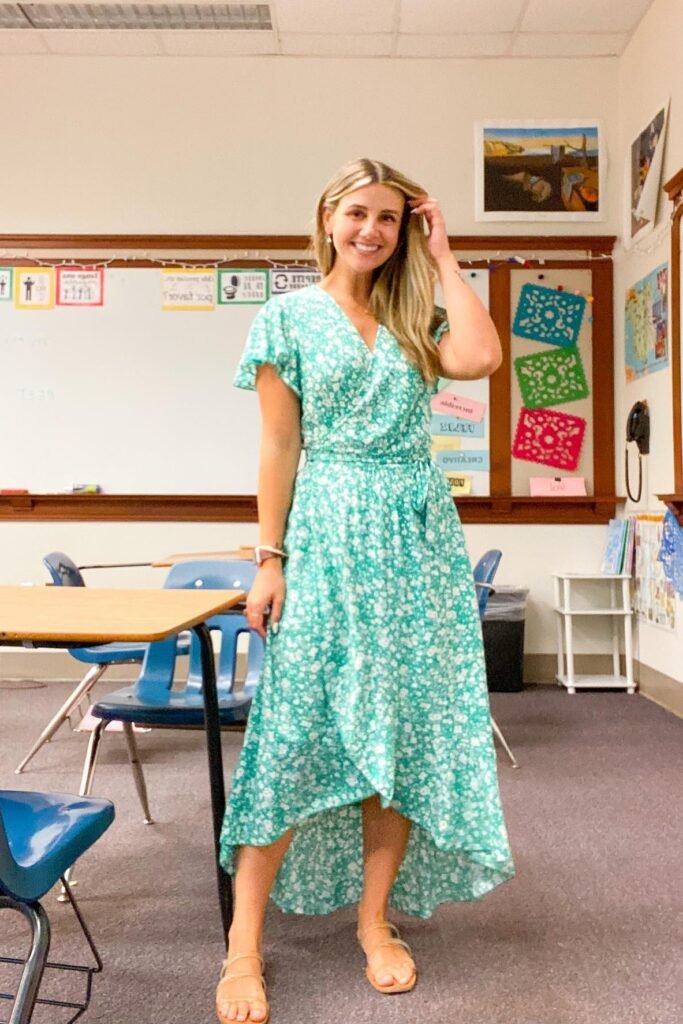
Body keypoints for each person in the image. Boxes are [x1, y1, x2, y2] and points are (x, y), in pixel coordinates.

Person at [216, 157, 515, 1024]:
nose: (371, 230)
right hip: (328, 531)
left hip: (415, 540)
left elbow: (481, 355)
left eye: (389, 217)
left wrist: (447, 256)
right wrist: (270, 558)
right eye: (358, 213)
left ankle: (375, 922)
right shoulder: (288, 317)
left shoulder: (416, 310)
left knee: (398, 734)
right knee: (292, 733)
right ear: (328, 217)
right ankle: (242, 947)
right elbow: (278, 447)